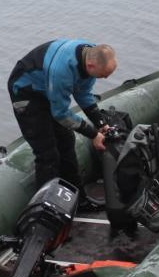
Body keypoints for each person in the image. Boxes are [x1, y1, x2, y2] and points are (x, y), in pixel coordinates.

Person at [8, 40, 118, 205]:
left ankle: (78, 200)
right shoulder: (62, 70)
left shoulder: (92, 55)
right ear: (90, 66)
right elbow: (61, 114)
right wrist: (93, 134)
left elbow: (84, 93)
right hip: (27, 94)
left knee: (67, 142)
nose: (105, 78)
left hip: (48, 90)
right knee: (47, 154)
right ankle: (46, 206)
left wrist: (101, 123)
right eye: (103, 75)